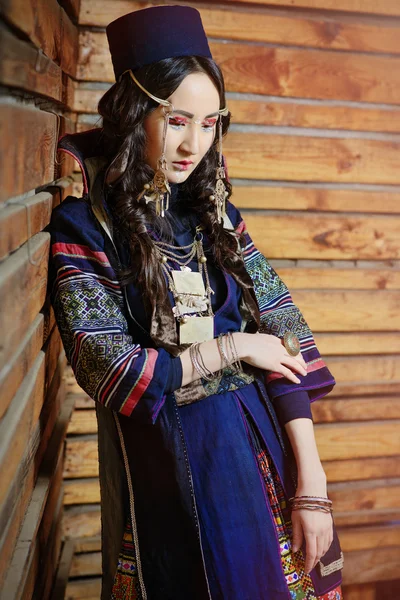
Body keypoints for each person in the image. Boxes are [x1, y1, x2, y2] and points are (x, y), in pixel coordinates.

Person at [47, 6, 343, 600]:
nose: (194, 144)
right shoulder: (86, 228)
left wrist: (311, 483)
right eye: (177, 120)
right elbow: (112, 366)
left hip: (263, 446)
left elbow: (282, 331)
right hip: (172, 465)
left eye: (211, 123)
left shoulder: (214, 216)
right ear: (135, 115)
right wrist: (233, 346)